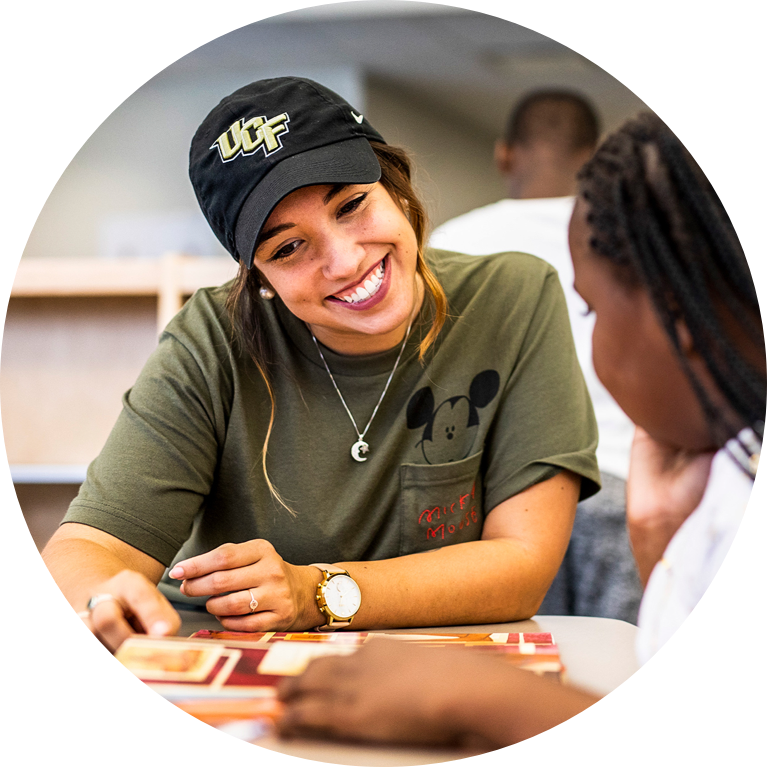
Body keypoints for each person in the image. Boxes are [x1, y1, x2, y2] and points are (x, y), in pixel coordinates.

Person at [40, 77, 601, 653]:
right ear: (256, 278)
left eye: (352, 206)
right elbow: (87, 548)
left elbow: (524, 563)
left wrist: (317, 593)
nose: (345, 261)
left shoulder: (514, 298)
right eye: (287, 248)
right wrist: (103, 600)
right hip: (234, 655)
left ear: (395, 185)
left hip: (431, 666)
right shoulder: (211, 342)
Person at [275, 113, 767, 748]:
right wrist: (660, 542)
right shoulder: (730, 479)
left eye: (590, 308)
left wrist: (488, 696)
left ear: (684, 322)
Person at [430, 90, 641, 623]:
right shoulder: (628, 235)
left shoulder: (455, 244)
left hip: (510, 499)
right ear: (593, 156)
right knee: (624, 663)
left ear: (504, 155)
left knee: (525, 658)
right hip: (624, 480)